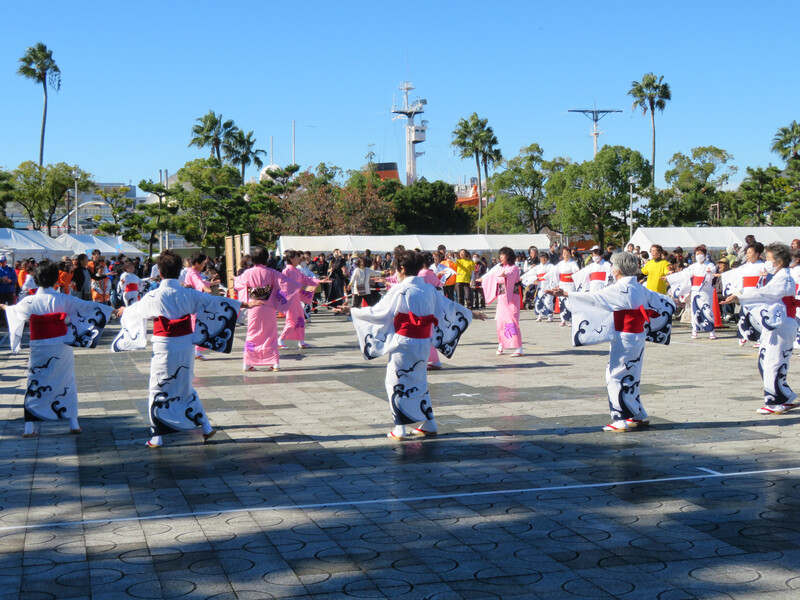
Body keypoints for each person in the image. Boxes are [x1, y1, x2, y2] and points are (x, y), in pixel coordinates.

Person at [112, 250, 262, 447]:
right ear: (178, 271)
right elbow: (216, 302)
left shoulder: (153, 296)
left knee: (158, 386)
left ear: (161, 272)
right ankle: (206, 427)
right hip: (185, 343)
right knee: (185, 385)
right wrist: (245, 304)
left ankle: (157, 436)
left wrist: (123, 310)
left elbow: (135, 310)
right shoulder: (187, 293)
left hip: (164, 344)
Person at [341, 250, 481, 439]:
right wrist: (470, 313)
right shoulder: (429, 289)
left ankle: (400, 427)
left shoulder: (400, 290)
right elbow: (448, 307)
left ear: (402, 268)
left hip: (404, 342)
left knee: (395, 381)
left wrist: (353, 310)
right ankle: (429, 422)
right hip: (423, 341)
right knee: (419, 381)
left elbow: (378, 313)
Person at [548, 252, 676, 432]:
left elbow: (594, 298)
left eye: (612, 265)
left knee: (614, 375)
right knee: (632, 374)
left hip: (624, 336)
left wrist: (566, 293)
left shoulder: (618, 288)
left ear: (617, 269)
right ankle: (636, 414)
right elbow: (662, 301)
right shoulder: (639, 287)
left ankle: (619, 419)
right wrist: (673, 302)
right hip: (638, 335)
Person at [3, 260, 113, 437]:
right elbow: (88, 307)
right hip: (61, 344)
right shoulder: (63, 299)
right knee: (65, 380)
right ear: (56, 279)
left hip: (39, 345)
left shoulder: (28, 302)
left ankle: (29, 427)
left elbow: (15, 311)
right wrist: (111, 310)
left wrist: (5, 308)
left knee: (35, 380)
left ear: (36, 279)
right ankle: (73, 423)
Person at [722, 243, 798, 415]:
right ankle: (784, 396)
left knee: (772, 362)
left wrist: (740, 296)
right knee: (768, 361)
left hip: (782, 323)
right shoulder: (780, 276)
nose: (766, 262)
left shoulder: (784, 277)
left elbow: (764, 294)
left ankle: (774, 403)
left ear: (778, 262)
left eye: (769, 259)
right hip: (777, 323)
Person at [234, 246, 308, 372]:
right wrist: (300, 287)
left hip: (253, 306)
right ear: (266, 258)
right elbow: (285, 284)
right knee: (270, 334)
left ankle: (248, 363)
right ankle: (274, 363)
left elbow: (238, 284)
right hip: (269, 307)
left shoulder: (247, 273)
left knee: (252, 333)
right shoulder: (272, 272)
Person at [666, 244, 718, 340]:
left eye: (701, 253)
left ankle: (711, 331)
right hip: (695, 290)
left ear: (705, 254)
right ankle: (694, 330)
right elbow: (683, 274)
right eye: (697, 253)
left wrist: (711, 271)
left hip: (706, 291)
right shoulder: (693, 266)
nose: (699, 255)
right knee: (695, 311)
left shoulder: (709, 264)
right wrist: (669, 277)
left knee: (708, 310)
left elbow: (713, 270)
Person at [481, 246, 523, 356]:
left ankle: (519, 347)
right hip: (502, 298)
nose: (500, 257)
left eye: (503, 255)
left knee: (512, 322)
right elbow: (490, 276)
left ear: (508, 256)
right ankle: (501, 345)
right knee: (500, 322)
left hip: (512, 298)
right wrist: (483, 279)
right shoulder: (499, 267)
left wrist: (506, 275)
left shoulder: (513, 268)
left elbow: (511, 276)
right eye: (500, 255)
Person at [721, 242, 765, 346]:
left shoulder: (763, 266)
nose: (748, 255)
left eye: (750, 252)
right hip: (746, 293)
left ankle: (760, 338)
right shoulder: (745, 266)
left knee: (757, 318)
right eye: (747, 252)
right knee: (743, 316)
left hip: (757, 295)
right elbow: (734, 275)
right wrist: (721, 275)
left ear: (757, 254)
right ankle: (744, 335)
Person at [278, 250, 320, 349]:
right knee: (292, 320)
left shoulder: (296, 270)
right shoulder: (286, 271)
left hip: (296, 299)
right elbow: (284, 284)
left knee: (300, 319)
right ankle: (281, 340)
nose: (299, 259)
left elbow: (306, 279)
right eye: (297, 257)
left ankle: (301, 341)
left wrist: (319, 280)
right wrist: (300, 286)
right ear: (291, 259)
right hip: (289, 299)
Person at [183, 252, 214, 360]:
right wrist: (205, 288)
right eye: (203, 264)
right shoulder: (193, 273)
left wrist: (210, 284)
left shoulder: (193, 272)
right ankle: (195, 351)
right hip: (194, 303)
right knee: (196, 325)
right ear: (196, 263)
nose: (204, 266)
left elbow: (199, 282)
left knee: (196, 325)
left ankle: (194, 350)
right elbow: (198, 283)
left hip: (193, 302)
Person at [522, 252, 556, 322]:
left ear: (547, 258)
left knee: (548, 301)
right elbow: (529, 273)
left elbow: (553, 272)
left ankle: (550, 316)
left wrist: (544, 277)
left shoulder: (551, 266)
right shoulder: (537, 267)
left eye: (544, 257)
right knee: (539, 301)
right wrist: (522, 278)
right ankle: (540, 315)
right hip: (540, 286)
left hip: (549, 286)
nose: (542, 259)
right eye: (541, 257)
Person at [554, 246, 580, 326]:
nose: (566, 255)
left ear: (570, 254)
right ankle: (562, 319)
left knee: (569, 302)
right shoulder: (560, 264)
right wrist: (555, 283)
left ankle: (572, 319)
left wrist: (572, 276)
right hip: (562, 284)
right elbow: (554, 272)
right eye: (564, 253)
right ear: (562, 255)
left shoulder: (573, 263)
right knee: (561, 301)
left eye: (567, 253)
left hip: (570, 285)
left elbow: (577, 271)